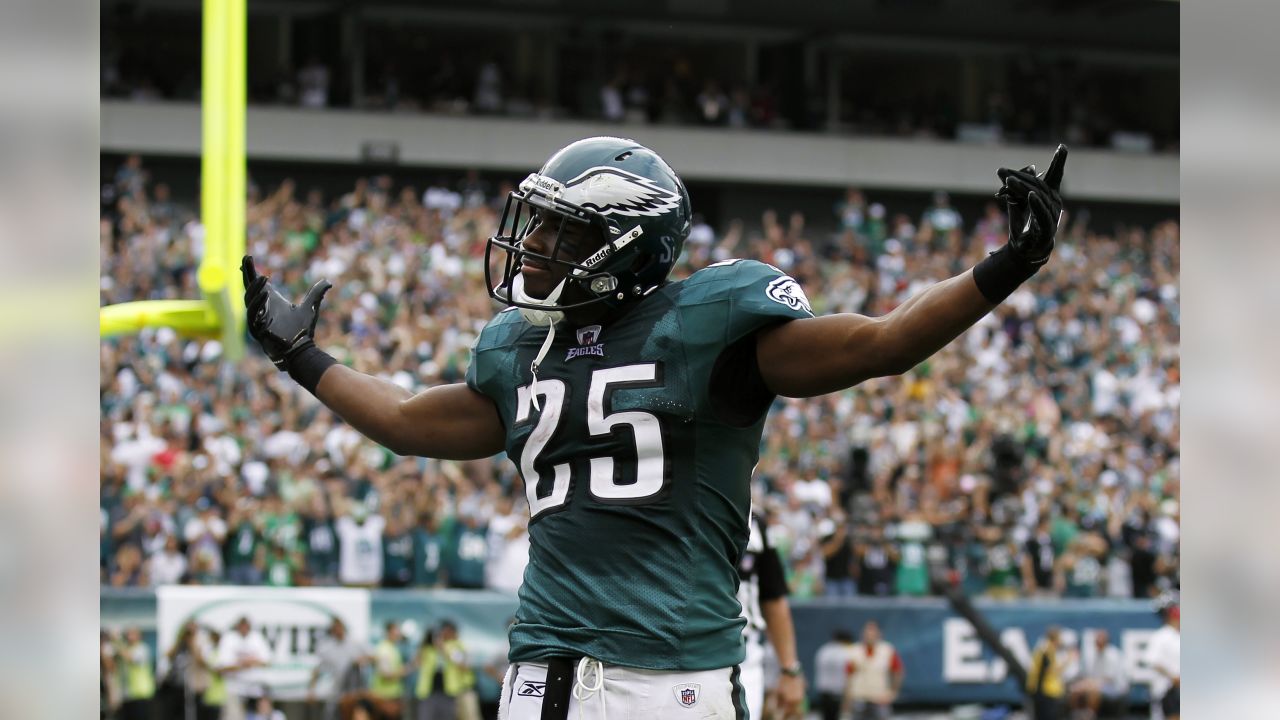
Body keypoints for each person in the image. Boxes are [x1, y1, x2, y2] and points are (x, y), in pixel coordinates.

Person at [242, 136, 1068, 720]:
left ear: (626, 247)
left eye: (560, 232)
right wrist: (302, 356)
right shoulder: (524, 346)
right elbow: (407, 420)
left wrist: (1005, 264)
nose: (529, 249)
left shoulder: (705, 322)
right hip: (652, 675)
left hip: (607, 679)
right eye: (536, 225)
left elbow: (882, 341)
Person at [737, 512, 805, 720]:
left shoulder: (754, 521)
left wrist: (790, 669)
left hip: (742, 654)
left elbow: (773, 597)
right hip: (678, 648)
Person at [307, 618, 372, 720]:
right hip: (336, 692)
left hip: (354, 693)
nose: (338, 631)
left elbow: (373, 657)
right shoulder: (327, 648)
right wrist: (312, 690)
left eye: (340, 628)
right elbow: (317, 670)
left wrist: (362, 659)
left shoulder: (355, 644)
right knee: (331, 715)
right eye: (335, 629)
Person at [842, 621, 904, 720]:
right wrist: (846, 706)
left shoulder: (887, 650)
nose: (869, 636)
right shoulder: (854, 651)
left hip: (879, 699)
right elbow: (848, 679)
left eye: (873, 633)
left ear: (879, 634)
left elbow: (898, 671)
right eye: (867, 633)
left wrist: (893, 692)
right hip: (859, 698)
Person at [216, 616, 271, 720]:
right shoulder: (229, 638)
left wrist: (251, 661)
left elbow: (267, 661)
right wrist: (241, 664)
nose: (244, 629)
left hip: (255, 689)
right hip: (234, 688)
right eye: (242, 626)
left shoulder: (256, 638)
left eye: (246, 626)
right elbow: (221, 667)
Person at [1066, 630, 1129, 720]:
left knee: (1093, 690)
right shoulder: (1090, 654)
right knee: (1075, 689)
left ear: (1106, 642)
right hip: (1093, 683)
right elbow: (1085, 675)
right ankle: (1076, 715)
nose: (1098, 644)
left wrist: (1090, 684)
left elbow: (1108, 679)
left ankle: (1090, 716)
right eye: (1097, 641)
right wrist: (1083, 684)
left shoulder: (1113, 655)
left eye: (1101, 641)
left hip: (1115, 687)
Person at [413, 620, 471, 720]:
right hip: (428, 691)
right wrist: (425, 641)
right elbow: (417, 662)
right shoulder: (428, 649)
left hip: (448, 691)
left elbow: (461, 664)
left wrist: (443, 649)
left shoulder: (454, 646)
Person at [1144, 603, 1180, 720]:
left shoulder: (1179, 636)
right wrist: (1172, 677)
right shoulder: (1161, 635)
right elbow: (1152, 661)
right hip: (1165, 687)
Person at [812, 629, 856, 720]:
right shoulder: (846, 652)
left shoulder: (823, 650)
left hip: (823, 691)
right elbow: (849, 674)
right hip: (838, 692)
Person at [1026, 625, 1067, 720]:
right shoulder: (1047, 650)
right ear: (1056, 638)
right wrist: (1068, 661)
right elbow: (1050, 671)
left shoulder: (1044, 648)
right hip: (1045, 691)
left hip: (1041, 690)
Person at [116, 627, 156, 720]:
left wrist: (117, 641)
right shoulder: (126, 648)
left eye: (132, 634)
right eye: (128, 634)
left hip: (141, 694)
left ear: (139, 636)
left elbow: (131, 659)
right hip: (127, 695)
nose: (129, 636)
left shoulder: (142, 648)